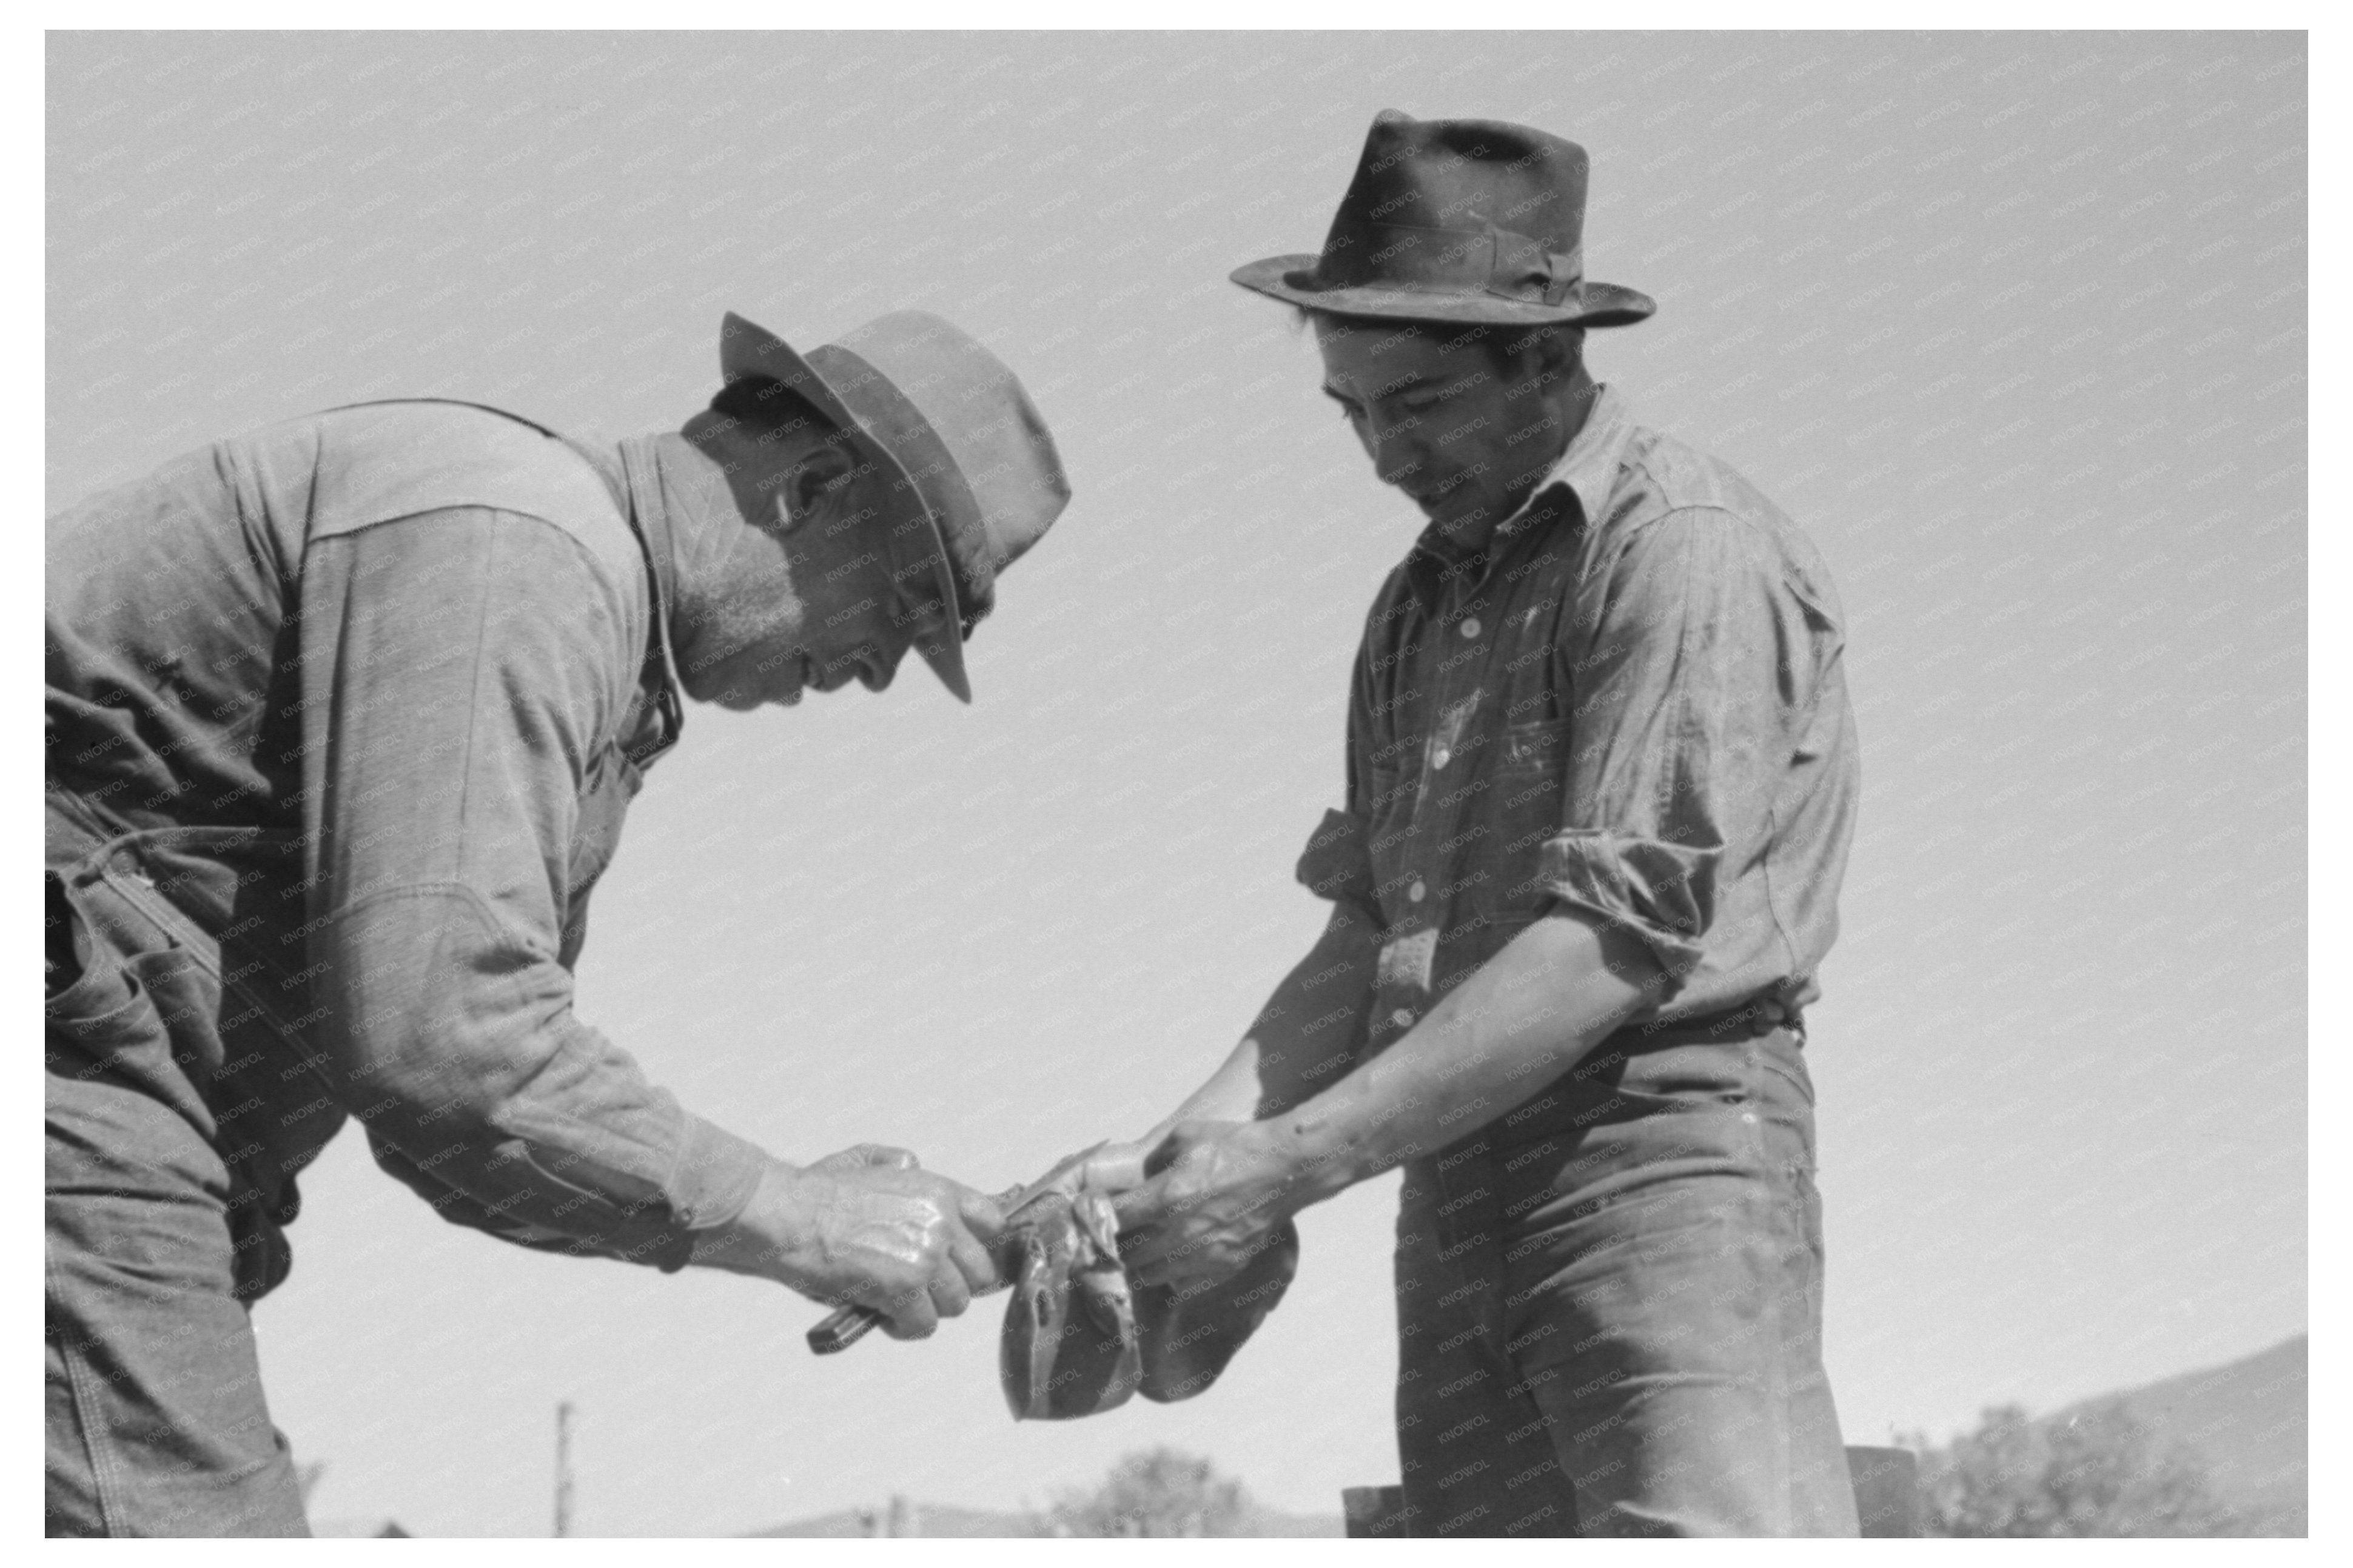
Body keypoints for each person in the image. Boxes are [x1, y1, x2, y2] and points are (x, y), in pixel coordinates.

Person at [44, 308, 1070, 1536]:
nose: (881, 669)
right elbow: (450, 1050)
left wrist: (782, 1199)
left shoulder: (567, 600)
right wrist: (788, 1212)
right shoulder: (520, 545)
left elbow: (454, 1124)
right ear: (811, 490)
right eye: (902, 606)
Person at [1096, 112, 1864, 1537]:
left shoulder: (1679, 549)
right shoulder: (1418, 600)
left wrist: (1285, 1167)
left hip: (1659, 1153)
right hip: (1448, 1166)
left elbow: (1610, 948)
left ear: (1550, 360)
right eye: (1351, 411)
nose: (1383, 450)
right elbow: (1372, 930)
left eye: (1423, 403)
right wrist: (1167, 1159)